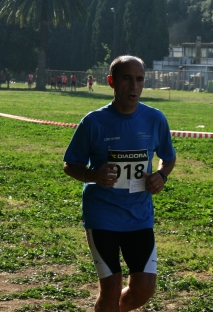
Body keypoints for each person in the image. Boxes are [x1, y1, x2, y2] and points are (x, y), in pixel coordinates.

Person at [63, 56, 176, 312]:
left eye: (139, 79)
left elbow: (168, 158)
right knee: (111, 288)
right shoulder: (93, 122)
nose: (134, 86)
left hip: (139, 215)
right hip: (102, 215)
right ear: (112, 82)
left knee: (144, 288)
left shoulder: (155, 119)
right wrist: (94, 175)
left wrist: (161, 176)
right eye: (127, 78)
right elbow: (71, 164)